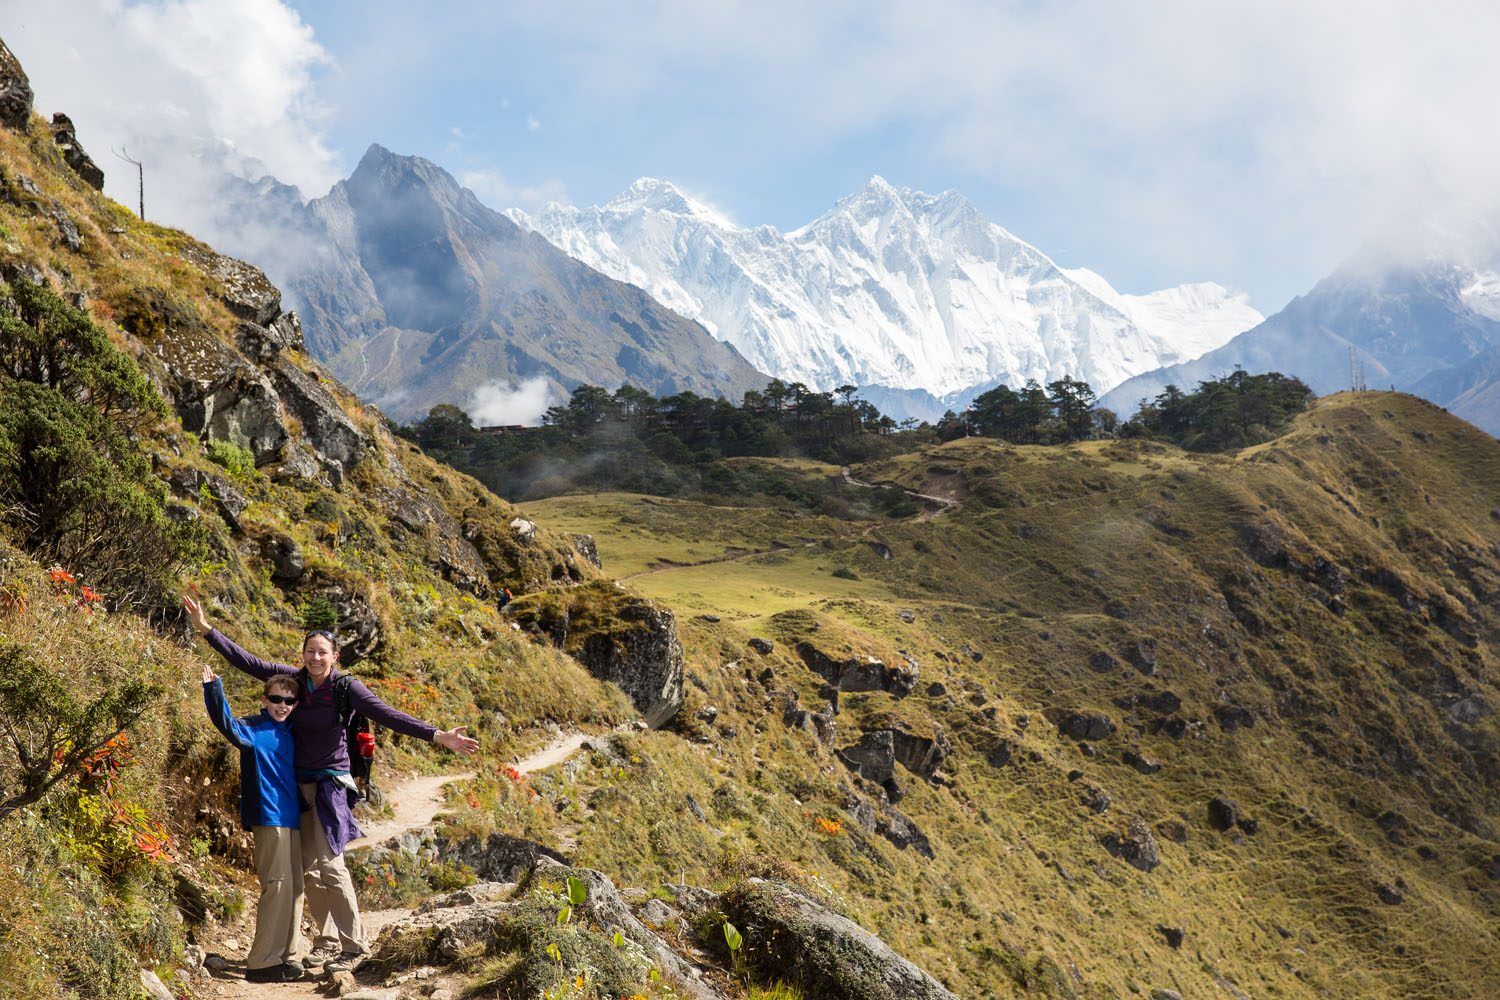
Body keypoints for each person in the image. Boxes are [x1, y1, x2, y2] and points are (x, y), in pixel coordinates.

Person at [183, 595, 479, 975]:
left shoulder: (346, 688)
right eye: (310, 651)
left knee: (330, 863)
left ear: (335, 656)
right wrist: (207, 630)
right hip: (297, 788)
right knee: (308, 870)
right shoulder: (295, 683)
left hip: (330, 784)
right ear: (303, 654)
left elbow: (388, 714)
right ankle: (325, 944)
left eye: (323, 652)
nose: (316, 657)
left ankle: (354, 944)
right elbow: (250, 662)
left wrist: (438, 736)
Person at [201, 663, 306, 983]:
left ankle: (288, 955)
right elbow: (228, 726)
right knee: (276, 886)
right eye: (276, 699)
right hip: (268, 816)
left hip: (292, 818)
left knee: (296, 890)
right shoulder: (253, 728)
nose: (282, 706)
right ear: (264, 700)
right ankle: (262, 963)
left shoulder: (291, 730)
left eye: (289, 701)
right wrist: (214, 691)